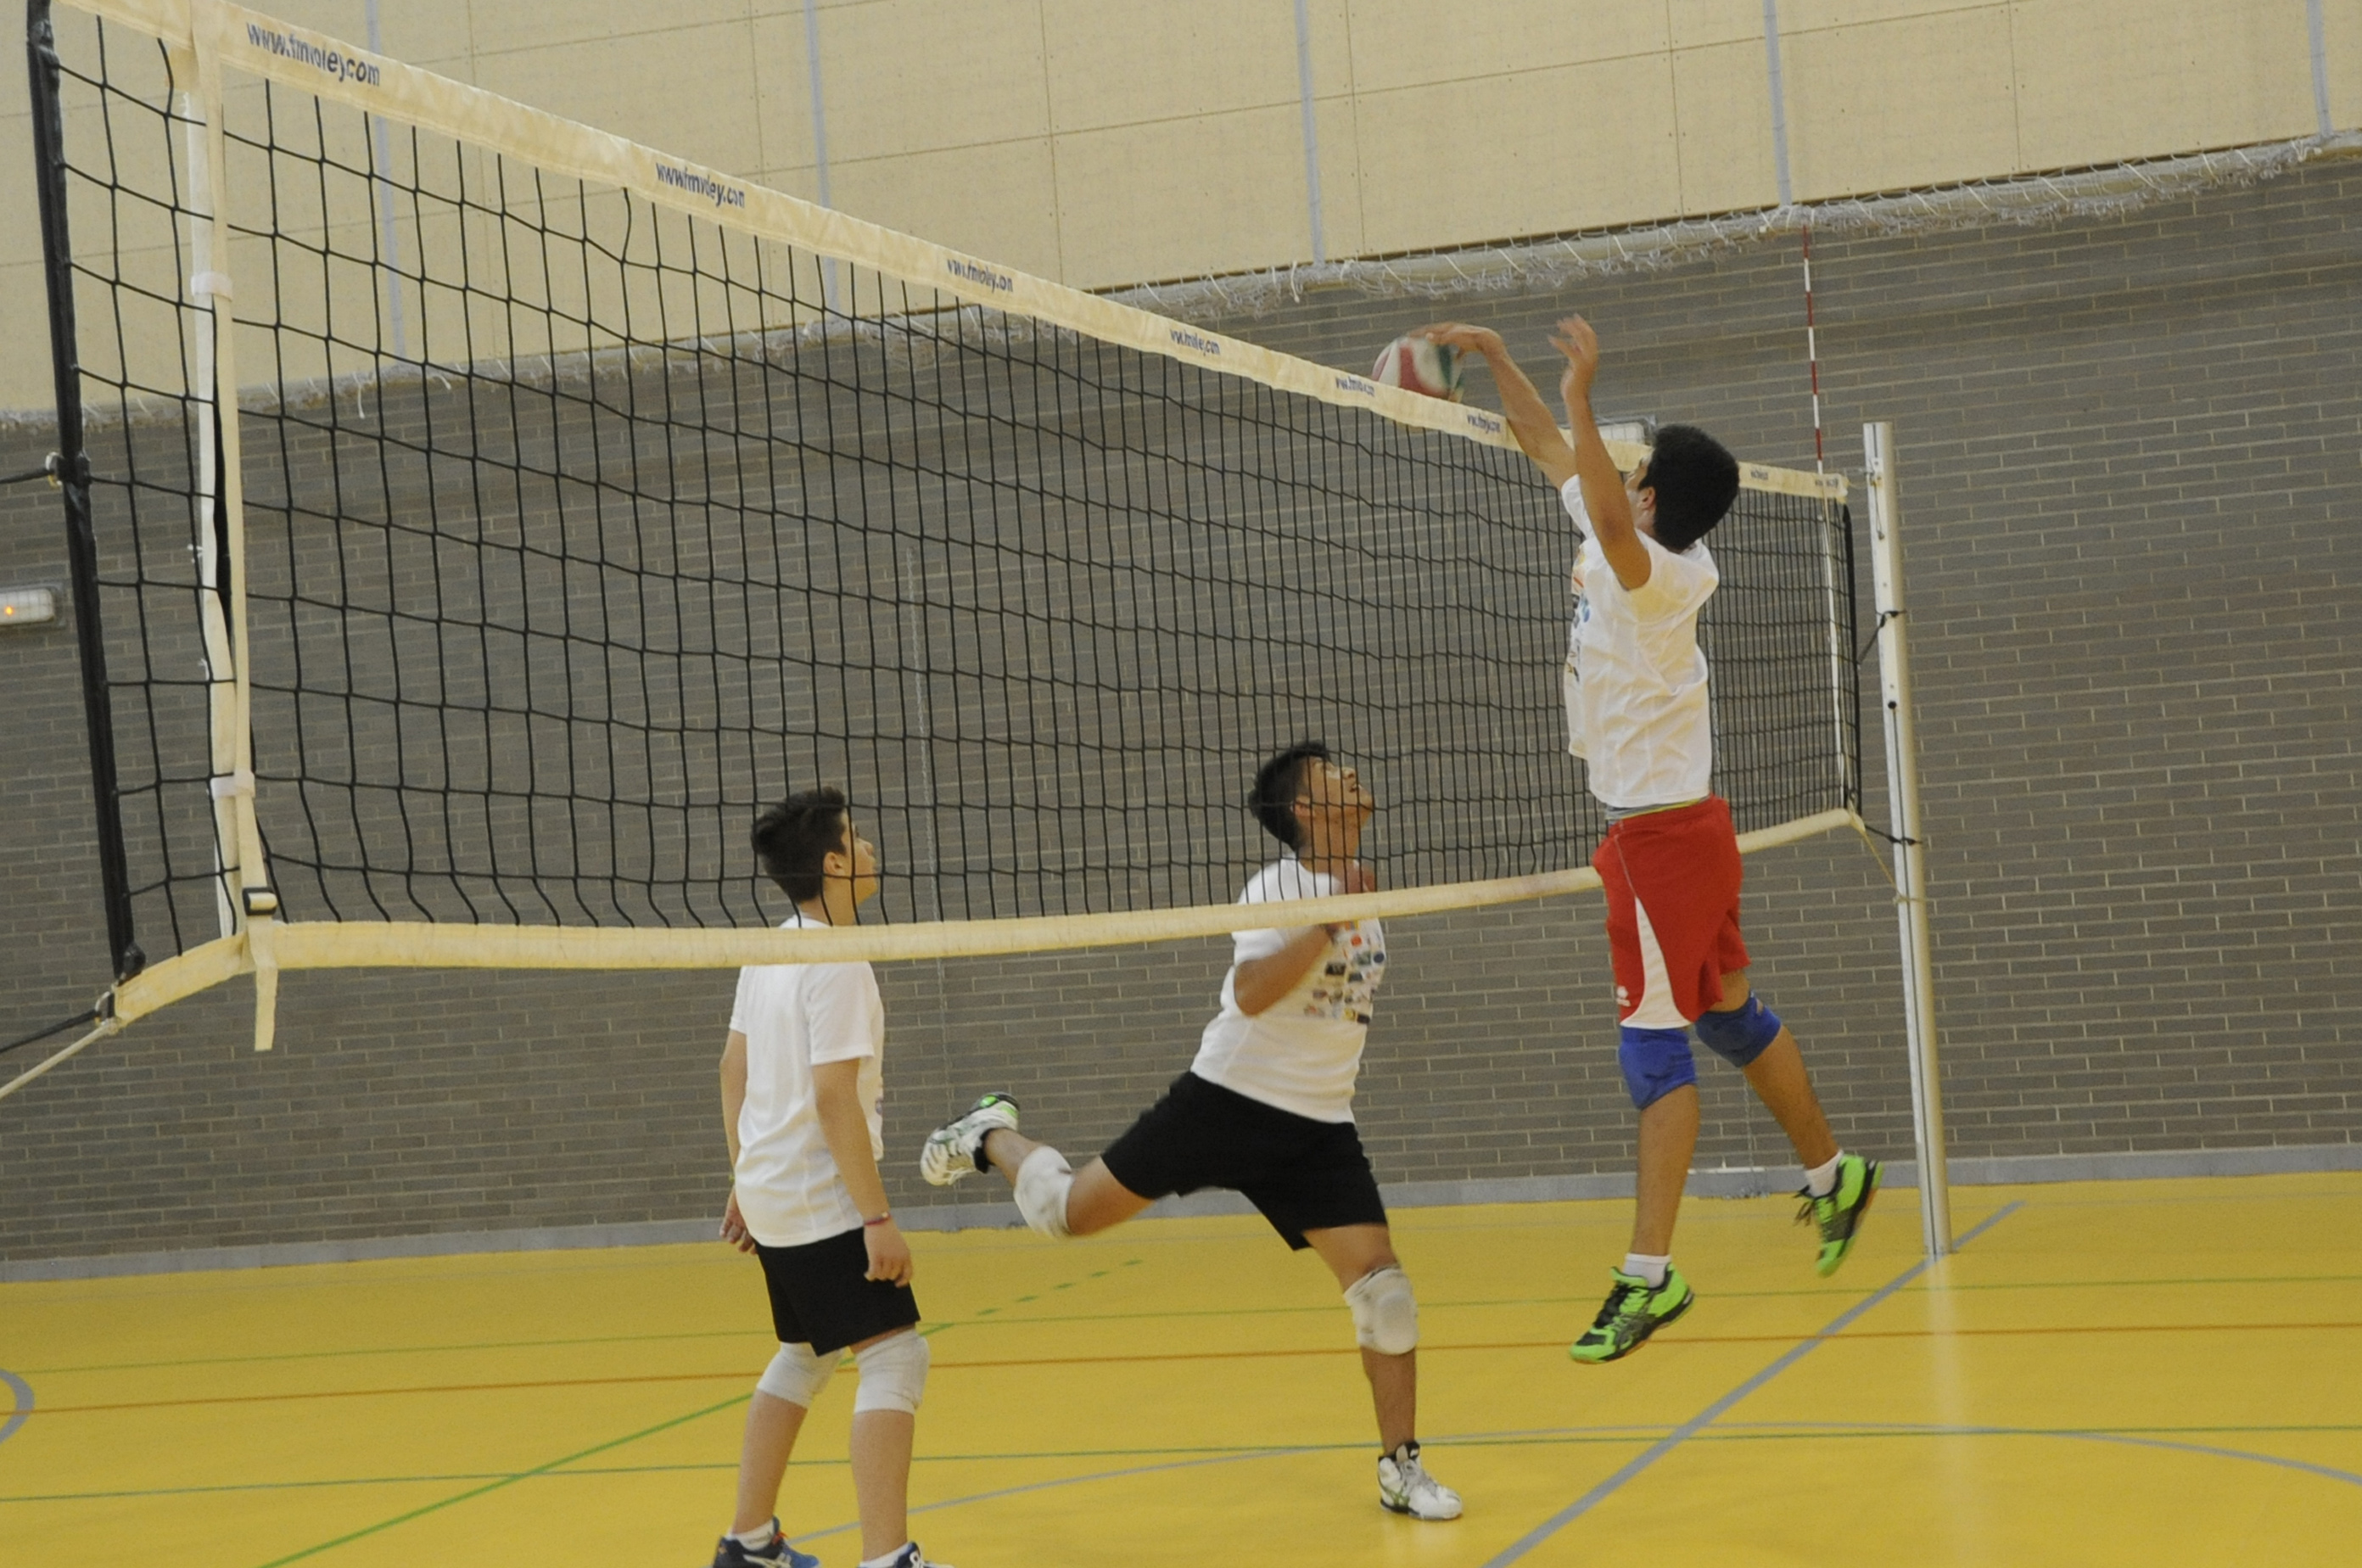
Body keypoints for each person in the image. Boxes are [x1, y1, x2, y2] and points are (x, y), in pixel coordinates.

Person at [1420, 316, 1881, 1364]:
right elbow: (1550, 451)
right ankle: (1834, 1173)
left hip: (1662, 843)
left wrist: (1585, 393)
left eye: (1635, 477)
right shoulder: (1622, 535)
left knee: (1654, 1050)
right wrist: (1497, 357)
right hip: (1675, 830)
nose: (1618, 482)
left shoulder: (1663, 575)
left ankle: (1649, 1275)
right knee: (1728, 1016)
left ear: (1651, 500)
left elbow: (1591, 487)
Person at [917, 742, 1462, 1521]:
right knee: (1066, 1214)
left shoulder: (1360, 890)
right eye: (1330, 772)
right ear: (1305, 808)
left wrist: (1342, 910)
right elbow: (1250, 992)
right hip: (1227, 1101)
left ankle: (1400, 1467)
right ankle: (988, 1136)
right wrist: (1326, 920)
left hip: (1318, 1123)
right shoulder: (1277, 888)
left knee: (1388, 1294)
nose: (1351, 773)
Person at [708, 788, 952, 1568]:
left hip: (773, 1191)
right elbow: (833, 1096)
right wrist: (877, 1219)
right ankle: (887, 1558)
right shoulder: (839, 959)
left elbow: (732, 1070)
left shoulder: (771, 949)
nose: (872, 847)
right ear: (835, 862)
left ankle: (748, 1542)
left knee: (806, 1354)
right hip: (820, 1196)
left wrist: (745, 1176)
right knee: (896, 1357)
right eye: (858, 838)